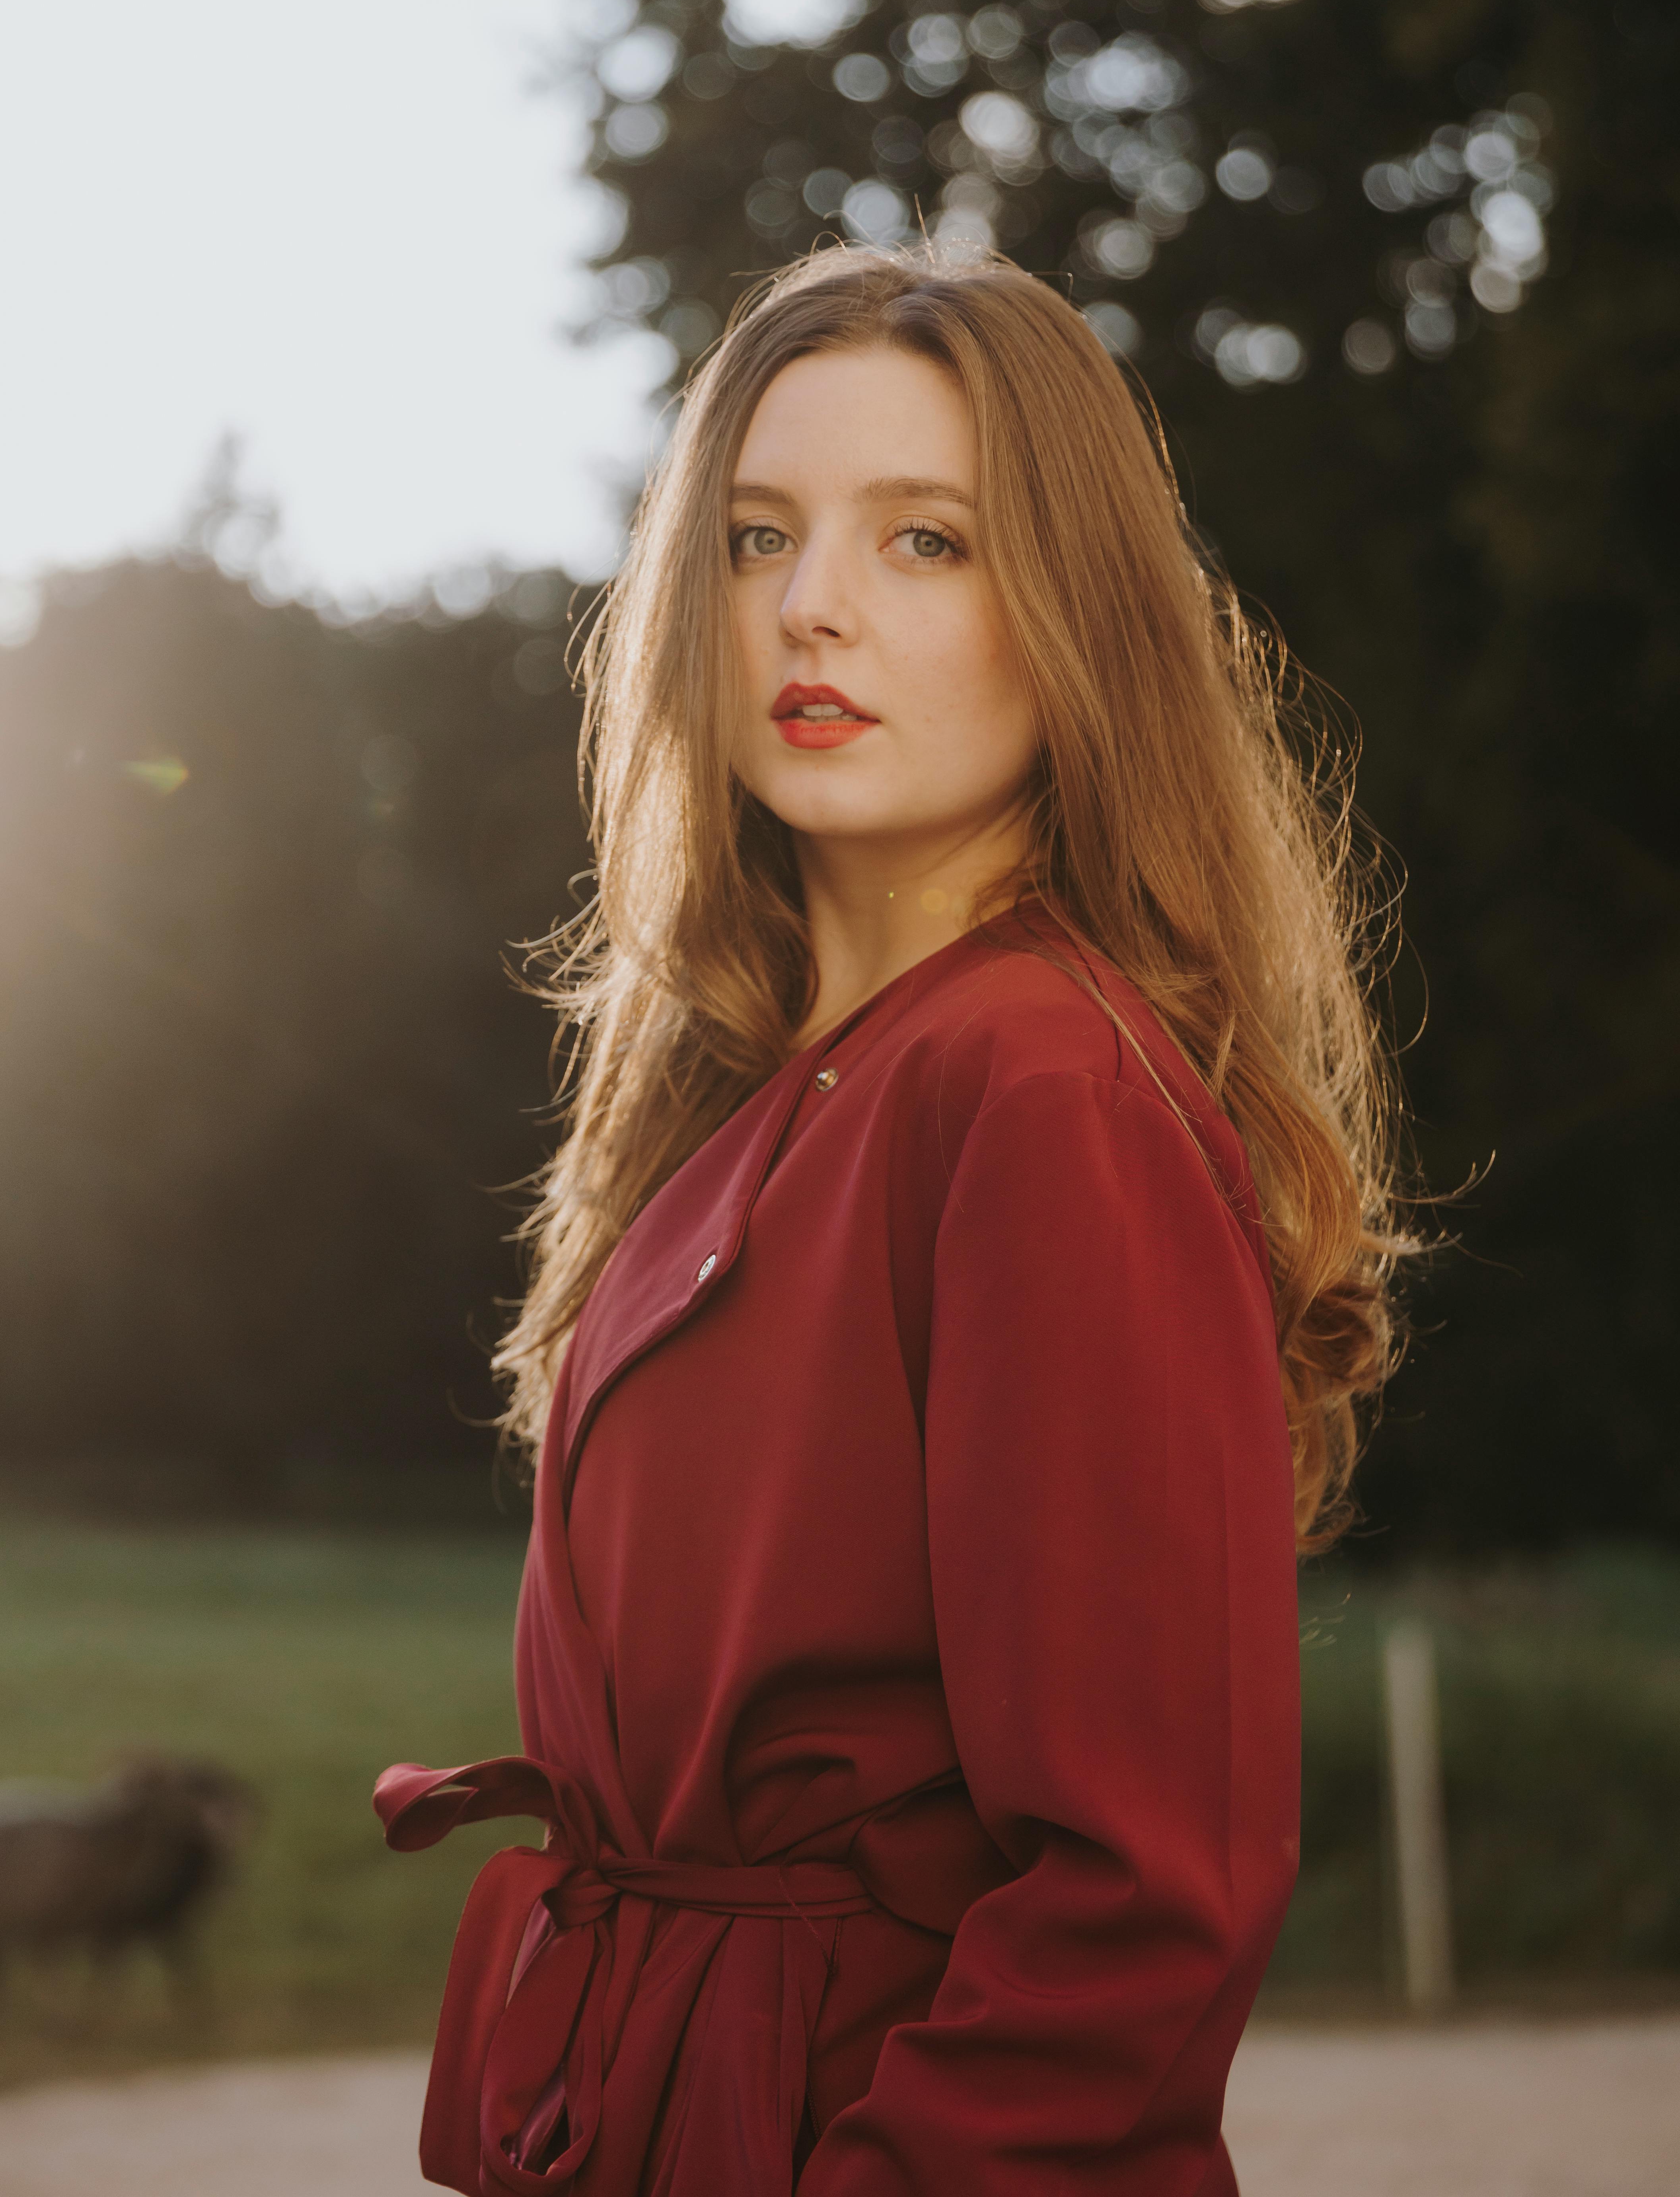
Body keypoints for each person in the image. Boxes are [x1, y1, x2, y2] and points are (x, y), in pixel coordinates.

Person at [376, 247, 1406, 2195]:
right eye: (755, 536)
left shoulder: (1040, 1087)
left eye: (923, 542)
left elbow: (1139, 1900)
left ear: (1073, 615)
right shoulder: (750, 1102)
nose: (811, 606)